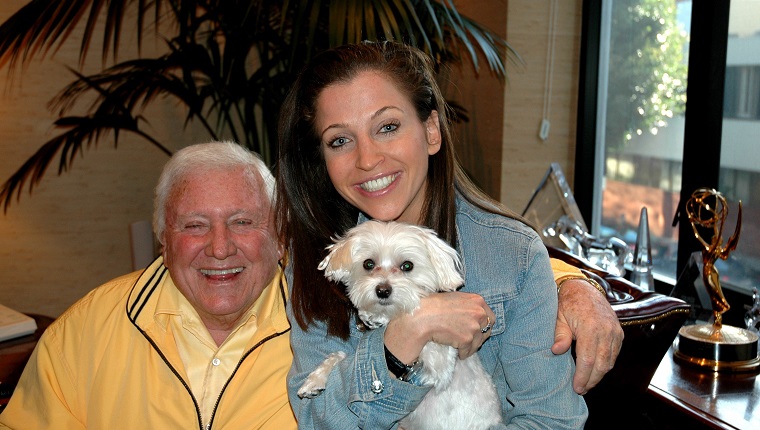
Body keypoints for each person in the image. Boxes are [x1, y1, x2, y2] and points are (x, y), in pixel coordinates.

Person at [276, 40, 623, 428]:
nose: (367, 159)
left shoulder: (512, 254)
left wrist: (576, 282)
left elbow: (551, 421)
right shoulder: (312, 257)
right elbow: (316, 419)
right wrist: (406, 335)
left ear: (431, 132)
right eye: (339, 140)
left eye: (387, 127)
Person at [0, 141, 296, 429]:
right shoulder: (84, 329)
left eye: (242, 222)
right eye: (195, 225)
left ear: (280, 237)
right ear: (164, 242)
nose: (220, 248)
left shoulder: (328, 330)